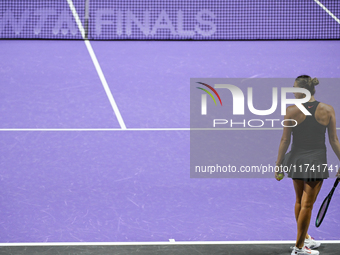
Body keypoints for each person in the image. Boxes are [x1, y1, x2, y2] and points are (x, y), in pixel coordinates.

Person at [275, 75, 340, 255]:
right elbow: (334, 140)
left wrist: (278, 164)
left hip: (296, 160)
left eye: (294, 87)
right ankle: (299, 247)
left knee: (299, 201)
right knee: (307, 205)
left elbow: (285, 140)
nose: (293, 90)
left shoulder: (291, 111)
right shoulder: (327, 110)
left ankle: (304, 240)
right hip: (316, 162)